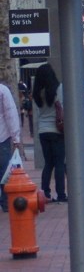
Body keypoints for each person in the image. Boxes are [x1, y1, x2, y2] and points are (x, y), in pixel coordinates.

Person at [32, 64, 67, 203]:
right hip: (57, 130)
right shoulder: (59, 89)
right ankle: (61, 195)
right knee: (59, 163)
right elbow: (64, 107)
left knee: (48, 163)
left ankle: (45, 193)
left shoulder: (37, 93)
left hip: (43, 131)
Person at [0, 83, 21, 212]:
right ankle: (6, 202)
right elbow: (10, 114)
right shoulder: (3, 90)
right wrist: (15, 137)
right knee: (4, 171)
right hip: (2, 136)